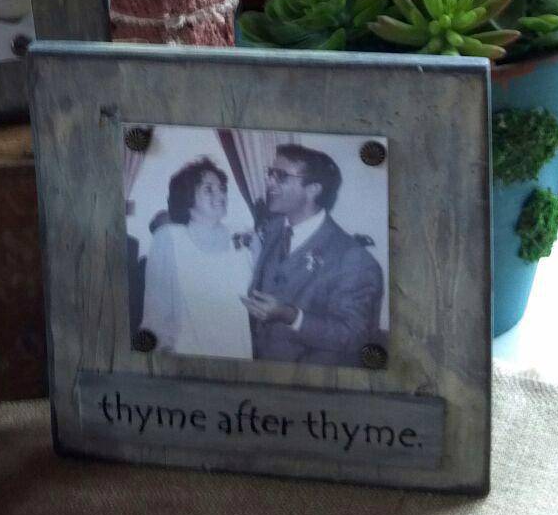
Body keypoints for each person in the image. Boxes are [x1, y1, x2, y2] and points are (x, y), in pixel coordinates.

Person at [241, 144, 384, 367]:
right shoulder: (272, 230)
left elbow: (354, 336)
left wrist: (292, 316)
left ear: (313, 189)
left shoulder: (353, 258)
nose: (269, 182)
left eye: (280, 176)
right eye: (270, 173)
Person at [140, 158, 256, 359]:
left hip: (239, 356)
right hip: (188, 357)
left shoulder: (241, 237)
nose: (220, 195)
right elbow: (156, 312)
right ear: (187, 197)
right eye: (208, 189)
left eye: (222, 188)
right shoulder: (169, 238)